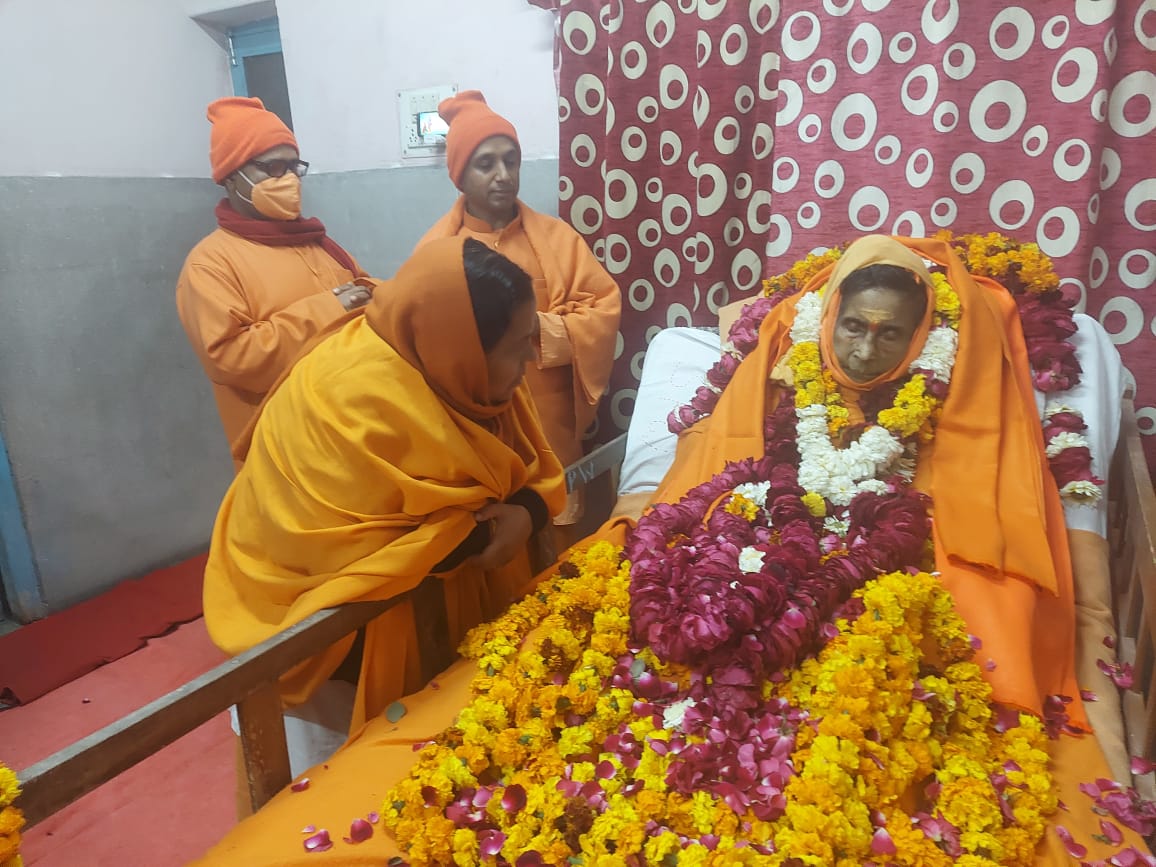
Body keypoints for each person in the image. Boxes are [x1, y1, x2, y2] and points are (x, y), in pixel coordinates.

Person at [193, 236, 1147, 865]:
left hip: (852, 585)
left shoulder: (463, 376)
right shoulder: (358, 402)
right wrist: (532, 524)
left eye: (889, 333)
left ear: (923, 339)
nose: (863, 350)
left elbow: (518, 475)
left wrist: (520, 510)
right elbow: (423, 527)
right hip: (322, 606)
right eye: (850, 326)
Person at [203, 236, 565, 763]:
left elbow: (530, 466)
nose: (529, 360)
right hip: (331, 649)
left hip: (431, 629)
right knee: (350, 789)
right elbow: (358, 553)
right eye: (516, 348)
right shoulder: (347, 397)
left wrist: (527, 513)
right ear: (463, 347)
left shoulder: (467, 376)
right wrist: (492, 530)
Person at [418, 90, 621, 531]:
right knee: (493, 537)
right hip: (476, 431)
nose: (503, 175)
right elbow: (421, 345)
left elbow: (602, 309)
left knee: (559, 537)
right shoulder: (436, 252)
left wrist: (537, 330)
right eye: (486, 163)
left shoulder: (557, 238)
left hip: (550, 424)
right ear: (460, 175)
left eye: (511, 161)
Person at [176, 97, 377, 469]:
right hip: (287, 453)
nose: (288, 180)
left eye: (294, 167)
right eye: (272, 168)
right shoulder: (211, 263)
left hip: (356, 435)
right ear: (231, 177)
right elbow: (233, 360)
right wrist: (329, 309)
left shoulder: (315, 241)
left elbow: (363, 296)